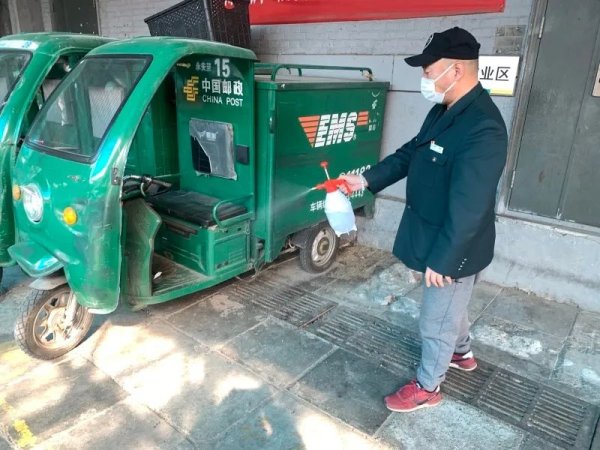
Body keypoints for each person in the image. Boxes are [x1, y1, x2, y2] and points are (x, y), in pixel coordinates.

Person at [341, 27, 508, 413]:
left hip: (455, 246)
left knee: (435, 321)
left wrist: (445, 261)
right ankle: (461, 353)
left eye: (429, 70)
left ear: (456, 70)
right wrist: (366, 179)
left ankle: (428, 386)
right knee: (451, 308)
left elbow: (470, 206)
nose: (425, 78)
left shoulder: (482, 127)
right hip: (434, 233)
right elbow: (410, 153)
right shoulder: (445, 109)